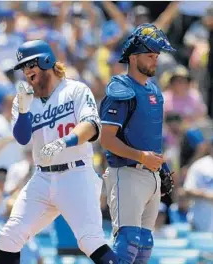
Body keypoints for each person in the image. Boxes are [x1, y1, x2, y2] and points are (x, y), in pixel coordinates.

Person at [0, 39, 118, 264]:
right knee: (9, 237)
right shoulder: (24, 99)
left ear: (46, 61)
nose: (26, 72)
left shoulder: (75, 89)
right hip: (42, 177)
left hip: (76, 174)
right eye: (23, 68)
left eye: (30, 65)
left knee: (90, 240)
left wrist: (64, 142)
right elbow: (22, 138)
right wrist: (23, 111)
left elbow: (91, 126)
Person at [99, 24, 176, 264]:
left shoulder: (153, 90)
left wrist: (160, 168)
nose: (155, 61)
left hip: (150, 175)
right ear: (133, 57)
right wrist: (142, 157)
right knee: (127, 245)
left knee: (144, 248)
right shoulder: (120, 89)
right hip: (127, 173)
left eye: (157, 56)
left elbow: (148, 135)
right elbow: (106, 139)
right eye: (150, 55)